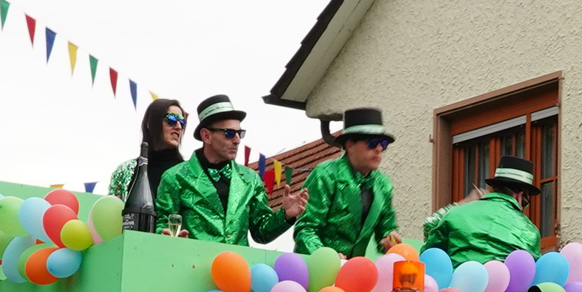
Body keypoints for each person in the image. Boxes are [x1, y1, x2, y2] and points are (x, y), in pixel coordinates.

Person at [155, 97, 305, 246]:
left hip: (238, 268)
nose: (237, 140)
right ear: (206, 136)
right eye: (229, 133)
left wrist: (285, 215)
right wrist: (167, 236)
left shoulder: (250, 179)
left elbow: (261, 233)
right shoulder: (175, 177)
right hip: (193, 266)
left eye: (240, 133)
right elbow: (163, 225)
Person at [293, 110, 403, 258]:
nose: (379, 149)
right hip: (314, 271)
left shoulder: (383, 185)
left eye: (383, 143)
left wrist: (390, 242)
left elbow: (387, 230)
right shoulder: (325, 175)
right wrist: (326, 258)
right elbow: (305, 229)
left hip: (353, 273)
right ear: (350, 145)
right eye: (372, 142)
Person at [418, 153, 543, 267]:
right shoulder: (530, 232)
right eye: (526, 204)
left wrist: (463, 203)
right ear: (520, 196)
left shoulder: (455, 214)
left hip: (458, 289)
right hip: (505, 291)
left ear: (494, 188)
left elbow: (430, 229)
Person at [105, 96, 189, 230]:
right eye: (171, 120)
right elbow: (110, 219)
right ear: (151, 123)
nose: (178, 127)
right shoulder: (125, 170)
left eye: (182, 122)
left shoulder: (188, 173)